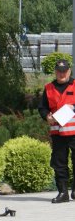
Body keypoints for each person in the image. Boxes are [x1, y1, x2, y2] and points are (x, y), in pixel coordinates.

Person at [38, 58, 75, 203]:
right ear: (55, 72)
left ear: (69, 71)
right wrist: (46, 116)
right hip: (58, 133)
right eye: (59, 72)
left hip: (74, 132)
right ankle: (63, 193)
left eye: (64, 71)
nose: (61, 74)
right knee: (59, 163)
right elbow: (42, 107)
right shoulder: (48, 88)